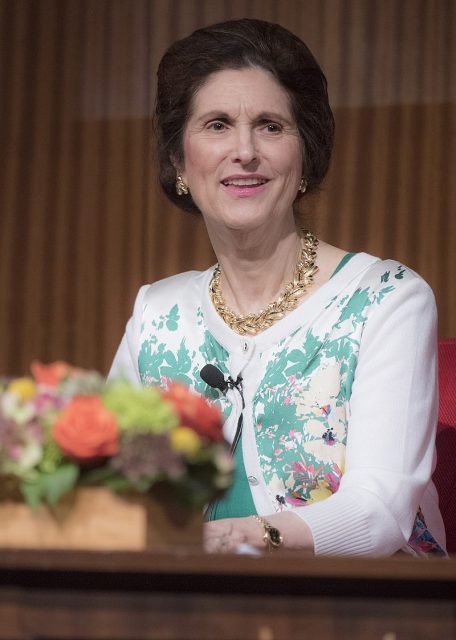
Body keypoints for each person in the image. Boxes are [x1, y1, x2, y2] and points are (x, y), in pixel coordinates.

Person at [109, 18, 446, 556]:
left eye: (270, 125)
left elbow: (378, 509)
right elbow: (110, 491)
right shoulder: (157, 313)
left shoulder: (387, 299)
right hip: (183, 605)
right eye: (217, 124)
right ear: (179, 161)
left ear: (306, 156)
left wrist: (241, 537)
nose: (244, 150)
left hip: (360, 609)